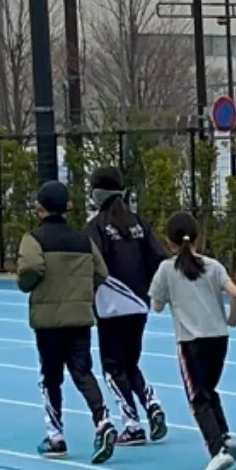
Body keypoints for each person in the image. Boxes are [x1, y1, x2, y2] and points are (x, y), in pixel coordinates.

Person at [15, 177, 116, 465]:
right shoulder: (83, 240)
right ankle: (103, 420)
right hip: (79, 318)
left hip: (48, 321)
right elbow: (101, 273)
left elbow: (31, 268)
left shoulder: (33, 239)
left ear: (39, 207)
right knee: (83, 372)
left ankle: (55, 436)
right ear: (67, 206)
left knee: (50, 378)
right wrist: (81, 291)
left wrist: (27, 284)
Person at [148, 213, 236, 470]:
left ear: (170, 243)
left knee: (197, 397)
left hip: (191, 340)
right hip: (218, 337)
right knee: (209, 389)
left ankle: (217, 449)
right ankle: (224, 435)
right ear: (198, 239)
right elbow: (235, 293)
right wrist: (232, 319)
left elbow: (156, 305)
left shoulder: (167, 269)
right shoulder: (214, 266)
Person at [85, 168, 168, 446]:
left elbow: (90, 266)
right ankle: (152, 404)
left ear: (97, 193)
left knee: (112, 367)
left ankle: (132, 425)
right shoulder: (139, 224)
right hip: (139, 303)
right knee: (130, 363)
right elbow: (158, 259)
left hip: (110, 306)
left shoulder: (96, 227)